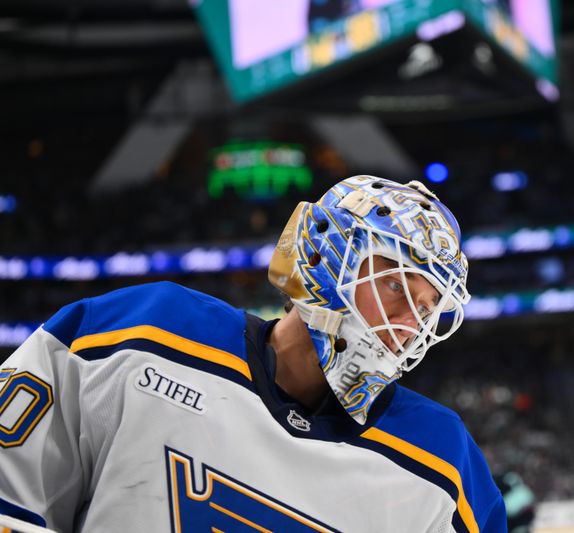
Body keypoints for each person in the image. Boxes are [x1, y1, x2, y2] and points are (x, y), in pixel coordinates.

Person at [0, 175, 507, 532]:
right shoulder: (143, 334)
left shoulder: (446, 467)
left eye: (426, 308)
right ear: (321, 258)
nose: (409, 325)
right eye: (396, 286)